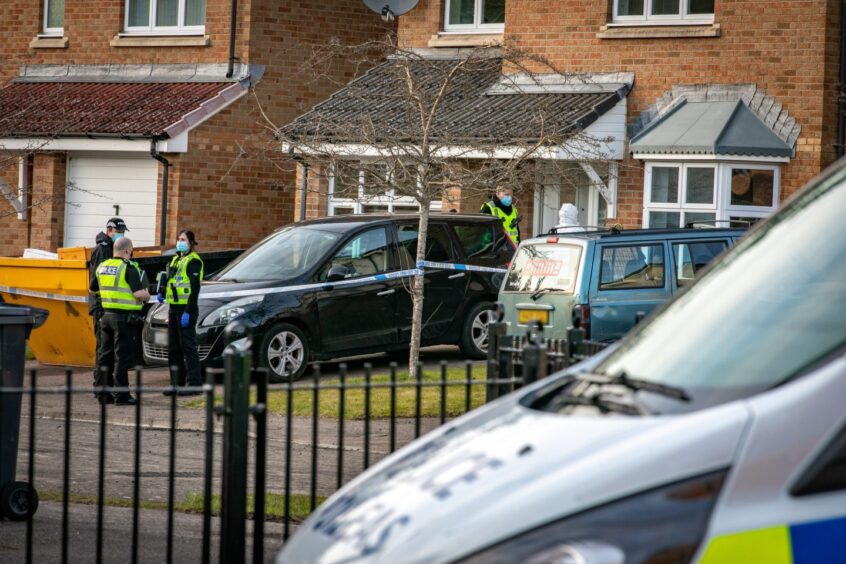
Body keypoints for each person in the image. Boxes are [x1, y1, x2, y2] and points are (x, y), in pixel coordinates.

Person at [90, 236, 149, 405]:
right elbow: (139, 294)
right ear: (127, 250)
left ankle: (102, 394)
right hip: (123, 319)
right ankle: (122, 395)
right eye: (131, 250)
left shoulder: (103, 266)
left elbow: (92, 289)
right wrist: (147, 295)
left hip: (106, 316)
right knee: (121, 358)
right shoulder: (128, 268)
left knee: (104, 356)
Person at [158, 229, 204, 396]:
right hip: (174, 307)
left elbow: (195, 289)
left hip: (187, 308)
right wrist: (162, 290)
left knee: (188, 347)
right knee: (174, 348)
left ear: (191, 243)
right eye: (178, 239)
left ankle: (194, 384)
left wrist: (189, 312)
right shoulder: (176, 259)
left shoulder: (194, 261)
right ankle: (176, 383)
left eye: (183, 239)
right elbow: (169, 278)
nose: (180, 242)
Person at [88, 217, 129, 399]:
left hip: (109, 306)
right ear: (109, 230)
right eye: (119, 231)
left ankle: (106, 386)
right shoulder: (101, 250)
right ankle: (101, 388)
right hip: (101, 306)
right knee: (103, 350)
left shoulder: (111, 249)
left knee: (109, 350)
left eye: (122, 232)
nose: (120, 235)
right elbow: (96, 283)